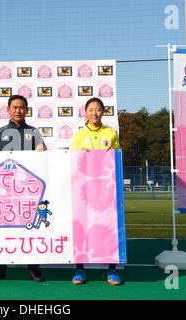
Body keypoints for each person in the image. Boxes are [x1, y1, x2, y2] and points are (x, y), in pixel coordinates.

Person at [0, 95, 47, 282]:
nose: (18, 110)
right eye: (15, 107)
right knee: (3, 228)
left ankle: (33, 268)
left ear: (27, 110)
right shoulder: (0, 132)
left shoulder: (34, 132)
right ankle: (0, 268)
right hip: (6, 190)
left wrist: (44, 150)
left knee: (31, 228)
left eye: (22, 107)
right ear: (8, 109)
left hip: (28, 190)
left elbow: (44, 158)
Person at [69, 97, 123, 285]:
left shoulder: (111, 132)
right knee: (81, 227)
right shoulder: (79, 134)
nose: (94, 113)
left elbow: (117, 158)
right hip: (84, 189)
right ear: (85, 112)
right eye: (91, 109)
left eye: (98, 109)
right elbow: (72, 161)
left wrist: (110, 154)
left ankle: (112, 270)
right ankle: (79, 269)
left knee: (110, 226)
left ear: (103, 112)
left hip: (106, 190)